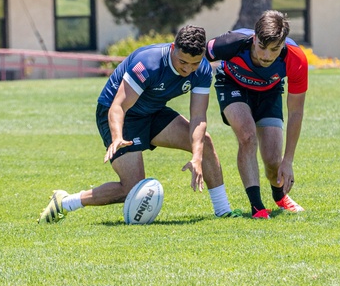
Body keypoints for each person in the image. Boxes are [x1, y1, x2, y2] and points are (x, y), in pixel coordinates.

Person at [38, 25, 240, 223]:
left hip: (153, 111)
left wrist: (197, 156)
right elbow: (118, 106)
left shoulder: (202, 70)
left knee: (203, 141)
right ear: (172, 48)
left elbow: (198, 117)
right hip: (121, 115)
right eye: (182, 62)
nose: (187, 69)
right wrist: (117, 137)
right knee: (131, 188)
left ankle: (223, 211)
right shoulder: (149, 63)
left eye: (193, 64)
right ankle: (65, 203)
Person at [205, 10, 308, 219]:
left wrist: (288, 161)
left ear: (283, 44)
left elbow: (296, 112)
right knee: (248, 137)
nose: (266, 56)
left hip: (269, 92)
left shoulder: (296, 59)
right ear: (254, 38)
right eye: (262, 47)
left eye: (274, 49)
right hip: (232, 84)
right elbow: (197, 56)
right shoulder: (231, 43)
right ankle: (257, 207)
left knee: (272, 159)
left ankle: (279, 197)